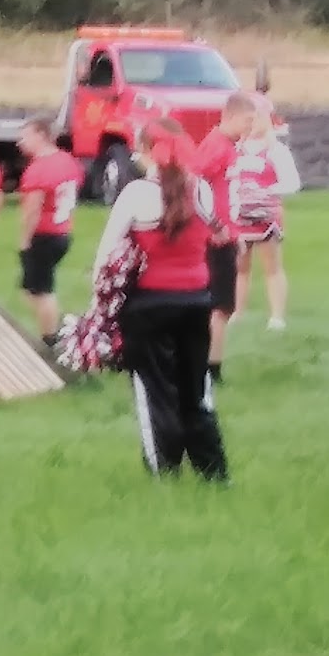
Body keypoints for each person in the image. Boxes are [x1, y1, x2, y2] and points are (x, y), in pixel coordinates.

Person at [94, 119, 228, 481]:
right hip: (197, 301)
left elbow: (106, 257)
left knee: (155, 390)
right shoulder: (200, 190)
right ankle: (213, 470)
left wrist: (99, 310)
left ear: (146, 150)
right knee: (195, 389)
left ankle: (164, 472)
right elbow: (218, 235)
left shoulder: (136, 194)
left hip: (148, 306)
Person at [189, 93, 252, 382]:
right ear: (232, 117)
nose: (249, 128)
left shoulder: (227, 146)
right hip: (214, 239)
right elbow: (194, 186)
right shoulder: (216, 146)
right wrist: (215, 226)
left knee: (223, 306)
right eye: (247, 121)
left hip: (226, 235)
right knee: (219, 306)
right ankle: (210, 369)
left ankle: (209, 364)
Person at [232, 103, 300, 331]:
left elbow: (292, 183)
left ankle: (277, 317)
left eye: (256, 119)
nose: (251, 124)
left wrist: (267, 192)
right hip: (240, 217)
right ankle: (237, 312)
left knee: (272, 267)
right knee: (240, 267)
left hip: (267, 217)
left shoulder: (276, 150)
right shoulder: (235, 149)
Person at [15, 119, 81, 346]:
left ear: (41, 135)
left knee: (40, 291)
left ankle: (52, 338)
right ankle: (53, 331)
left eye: (26, 136)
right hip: (63, 230)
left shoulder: (39, 169)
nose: (20, 142)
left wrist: (25, 240)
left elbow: (33, 208)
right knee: (34, 288)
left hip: (45, 234)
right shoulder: (67, 160)